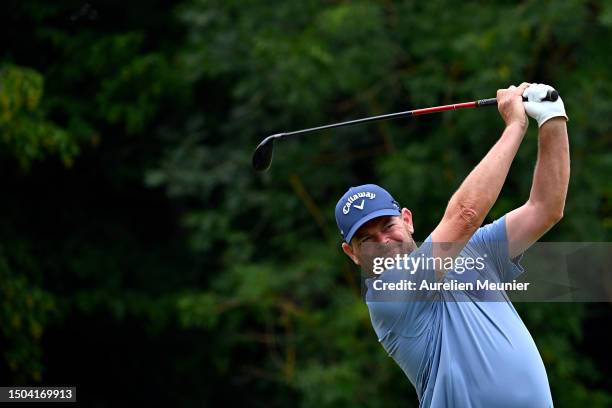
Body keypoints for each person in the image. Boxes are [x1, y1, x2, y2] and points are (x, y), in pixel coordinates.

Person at [334, 83, 569, 407]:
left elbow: (546, 208)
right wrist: (516, 125)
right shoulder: (386, 296)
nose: (383, 242)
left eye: (387, 226)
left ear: (407, 219)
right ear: (353, 254)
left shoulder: (475, 251)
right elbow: (466, 215)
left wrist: (552, 115)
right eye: (366, 239)